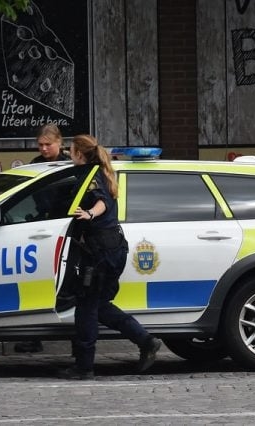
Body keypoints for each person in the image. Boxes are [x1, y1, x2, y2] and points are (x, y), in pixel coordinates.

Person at [58, 134, 162, 380]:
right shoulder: (101, 172)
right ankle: (146, 341)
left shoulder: (92, 176)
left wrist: (90, 214)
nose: (69, 154)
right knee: (99, 305)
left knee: (86, 308)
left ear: (79, 154)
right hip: (112, 248)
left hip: (99, 253)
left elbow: (101, 202)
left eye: (71, 150)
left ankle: (84, 367)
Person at [14, 124, 70, 354]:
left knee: (67, 286)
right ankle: (34, 337)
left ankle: (77, 340)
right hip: (43, 226)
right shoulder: (36, 164)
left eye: (49, 144)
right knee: (38, 283)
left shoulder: (69, 163)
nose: (44, 149)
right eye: (41, 145)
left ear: (60, 143)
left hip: (67, 227)